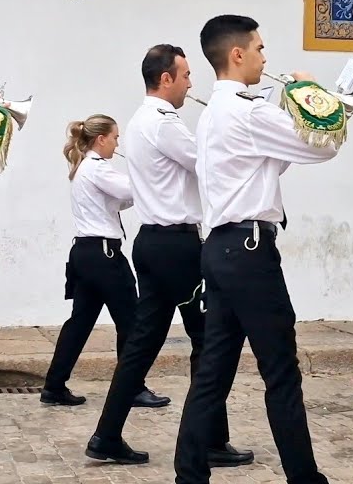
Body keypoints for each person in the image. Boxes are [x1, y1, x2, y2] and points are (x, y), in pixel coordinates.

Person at [173, 15, 342, 484]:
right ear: (237, 55)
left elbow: (271, 164)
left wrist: (285, 113)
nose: (267, 58)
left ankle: (188, 475)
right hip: (249, 252)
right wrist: (313, 96)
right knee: (281, 372)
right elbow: (323, 146)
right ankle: (306, 480)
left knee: (213, 375)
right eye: (261, 49)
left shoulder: (214, 114)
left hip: (223, 250)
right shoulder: (247, 111)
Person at [86, 45, 253, 468]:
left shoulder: (142, 119)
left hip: (152, 243)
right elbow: (209, 164)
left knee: (142, 345)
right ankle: (210, 441)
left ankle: (107, 435)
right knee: (210, 340)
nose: (190, 83)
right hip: (178, 245)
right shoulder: (164, 123)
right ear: (166, 78)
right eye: (185, 75)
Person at [40, 115, 167, 409]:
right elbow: (130, 191)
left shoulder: (87, 167)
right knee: (133, 322)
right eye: (115, 138)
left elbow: (121, 201)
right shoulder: (97, 168)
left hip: (85, 253)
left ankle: (54, 385)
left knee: (80, 323)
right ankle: (132, 386)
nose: (117, 143)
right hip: (104, 254)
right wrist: (146, 169)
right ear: (101, 139)